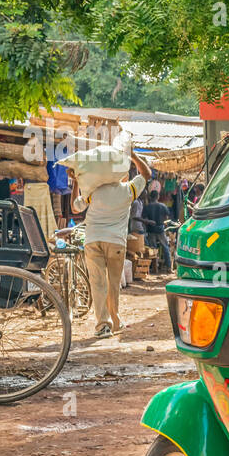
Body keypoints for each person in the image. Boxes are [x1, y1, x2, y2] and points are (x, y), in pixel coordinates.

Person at [66, 139, 151, 337]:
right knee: (113, 284)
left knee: (98, 283)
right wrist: (134, 156)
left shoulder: (93, 191)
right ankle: (115, 322)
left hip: (93, 240)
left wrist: (76, 182)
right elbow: (146, 174)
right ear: (121, 175)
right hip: (116, 243)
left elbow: (75, 207)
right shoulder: (128, 190)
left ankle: (102, 325)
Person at [141, 189, 172, 274]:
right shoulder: (162, 206)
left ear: (150, 197)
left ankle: (154, 268)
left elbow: (144, 218)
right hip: (160, 229)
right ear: (158, 196)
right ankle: (169, 268)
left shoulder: (147, 207)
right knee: (165, 248)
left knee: (153, 250)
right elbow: (166, 217)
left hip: (151, 230)